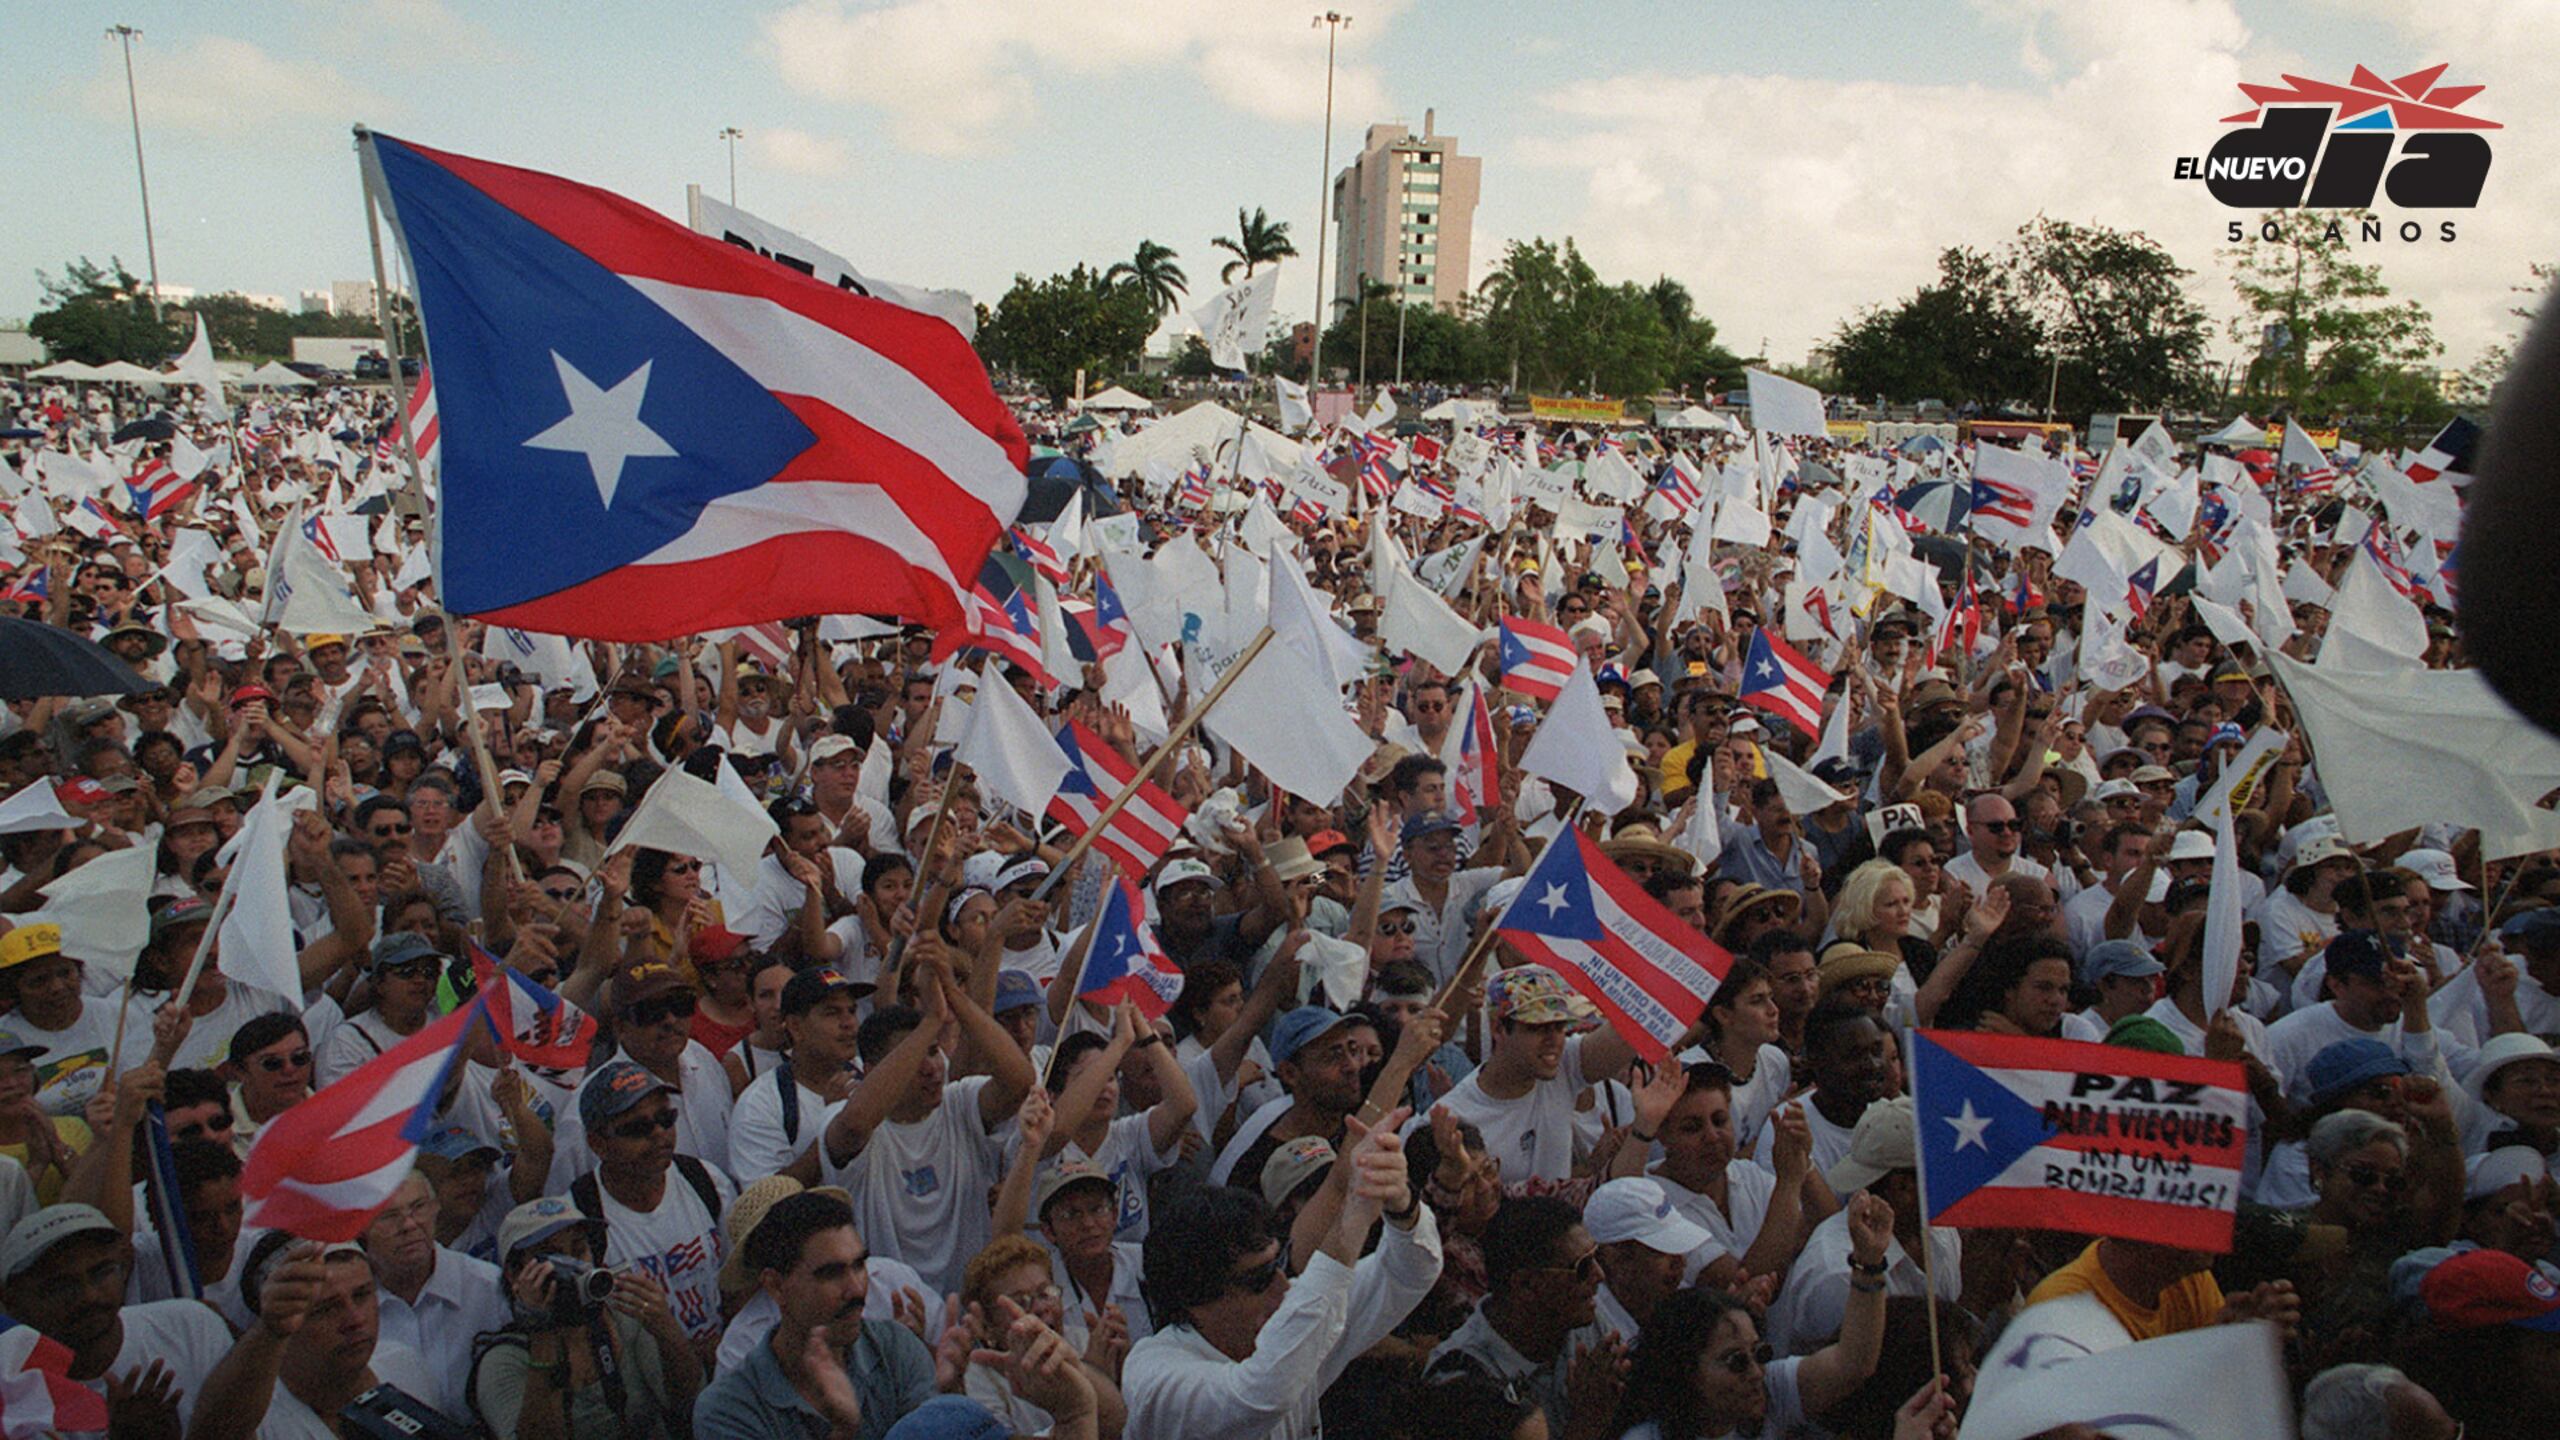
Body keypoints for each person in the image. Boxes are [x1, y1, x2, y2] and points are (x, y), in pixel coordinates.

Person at [1121, 1110, 1441, 1439]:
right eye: (1258, 1279)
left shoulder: (1291, 1316)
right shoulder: (1155, 1374)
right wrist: (1353, 1217)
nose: (1284, 1286)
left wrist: (1401, 1202)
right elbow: (1258, 1398)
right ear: (1195, 1298)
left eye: (1277, 1265)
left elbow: (1410, 1272)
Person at [1607, 1194, 1897, 1440]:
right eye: (1736, 1361)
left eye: (1760, 1353)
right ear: (1685, 1372)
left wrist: (1868, 1263)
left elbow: (1853, 1363)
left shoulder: (1769, 1392)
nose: (1757, 1372)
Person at [693, 1189, 940, 1440]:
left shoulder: (897, 1348)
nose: (856, 1289)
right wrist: (843, 1432)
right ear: (776, 1286)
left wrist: (954, 1390)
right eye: (831, 1273)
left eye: (859, 1265)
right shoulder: (727, 1408)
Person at [472, 1195, 703, 1440]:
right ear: (514, 1274)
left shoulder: (622, 1317)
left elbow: (688, 1400)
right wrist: (542, 1334)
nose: (571, 1266)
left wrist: (666, 1329)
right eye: (552, 1257)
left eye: (578, 1250)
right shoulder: (503, 1360)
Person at [0, 1202, 235, 1434]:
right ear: (13, 1302)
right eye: (62, 1286)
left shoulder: (191, 1325)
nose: (89, 1295)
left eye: (101, 1273)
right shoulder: (10, 1395)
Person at [190, 1237, 449, 1439]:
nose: (355, 1320)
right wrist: (269, 1330)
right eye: (326, 1308)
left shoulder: (404, 1362)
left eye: (362, 1295)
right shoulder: (259, 1420)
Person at [1763, 1100, 1959, 1356]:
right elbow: (1854, 1381)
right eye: (1940, 1173)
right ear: (1903, 1188)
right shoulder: (1837, 1276)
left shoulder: (1943, 1233)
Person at [1431, 965, 1645, 1184]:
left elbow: (1635, 1025)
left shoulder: (1563, 1065)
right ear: (1498, 1030)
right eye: (1537, 1027)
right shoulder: (1453, 1118)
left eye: (1559, 1026)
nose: (1553, 1040)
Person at [1423, 1194, 1615, 1438]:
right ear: (1526, 1285)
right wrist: (1588, 1423)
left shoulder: (1586, 1322)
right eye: (1583, 1267)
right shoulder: (1457, 1377)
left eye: (1597, 1257)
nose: (1599, 1275)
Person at [358, 1168, 511, 1417]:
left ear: (436, 1208)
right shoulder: (351, 1307)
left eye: (418, 1207)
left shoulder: (488, 1287)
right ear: (360, 1227)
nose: (409, 1224)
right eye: (389, 1215)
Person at [1584, 1176, 1715, 1344]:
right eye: (1662, 1251)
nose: (1681, 1262)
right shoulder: (1588, 1332)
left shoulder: (1685, 1304)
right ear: (1615, 1257)